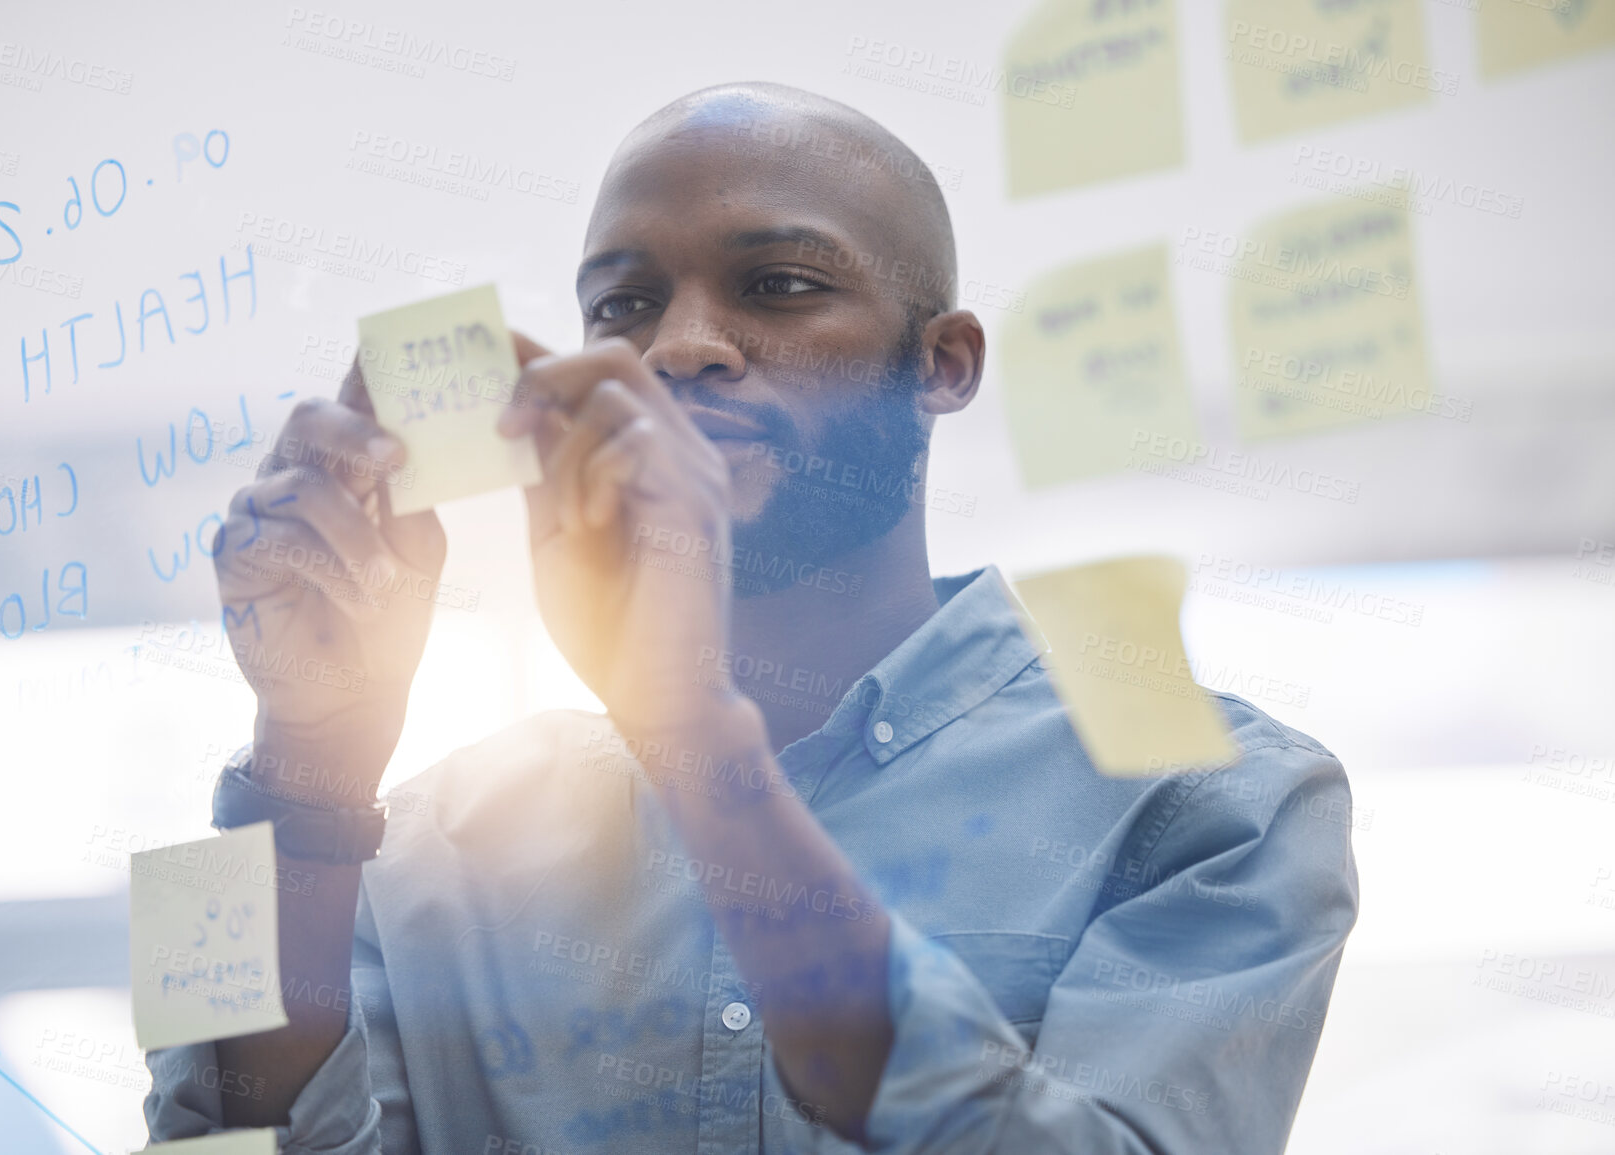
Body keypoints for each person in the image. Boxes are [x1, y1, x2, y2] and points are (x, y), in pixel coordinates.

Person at [145, 81, 1358, 1154]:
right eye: (621, 308)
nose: (679, 348)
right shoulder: (406, 841)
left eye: (779, 286)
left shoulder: (1220, 800)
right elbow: (196, 1147)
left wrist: (696, 744)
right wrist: (300, 760)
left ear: (941, 364)